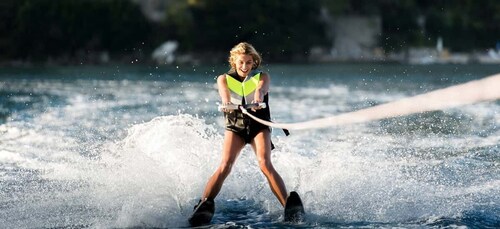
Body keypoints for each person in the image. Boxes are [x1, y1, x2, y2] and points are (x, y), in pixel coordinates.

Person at [193, 42, 291, 215]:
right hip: (235, 127)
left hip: (259, 126)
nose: (245, 66)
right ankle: (203, 204)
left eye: (248, 62)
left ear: (254, 62)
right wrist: (226, 102)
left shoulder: (262, 77)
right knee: (225, 165)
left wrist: (258, 98)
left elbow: (261, 90)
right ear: (234, 62)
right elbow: (224, 92)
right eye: (241, 62)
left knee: (265, 164)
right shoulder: (223, 78)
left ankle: (288, 206)